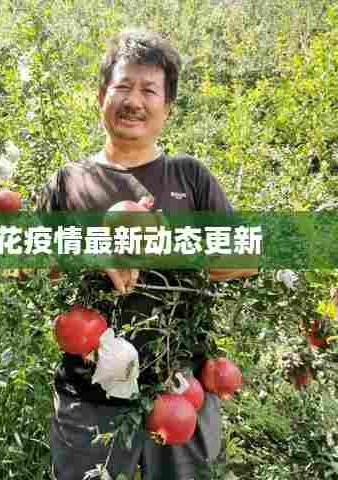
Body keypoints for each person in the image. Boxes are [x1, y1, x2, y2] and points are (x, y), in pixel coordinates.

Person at [36, 29, 257, 480]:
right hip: (88, 396)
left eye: (149, 90)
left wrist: (164, 246)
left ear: (168, 107)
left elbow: (246, 258)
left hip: (179, 389)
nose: (134, 101)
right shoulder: (69, 181)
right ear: (101, 96)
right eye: (122, 86)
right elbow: (33, 260)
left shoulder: (189, 176)